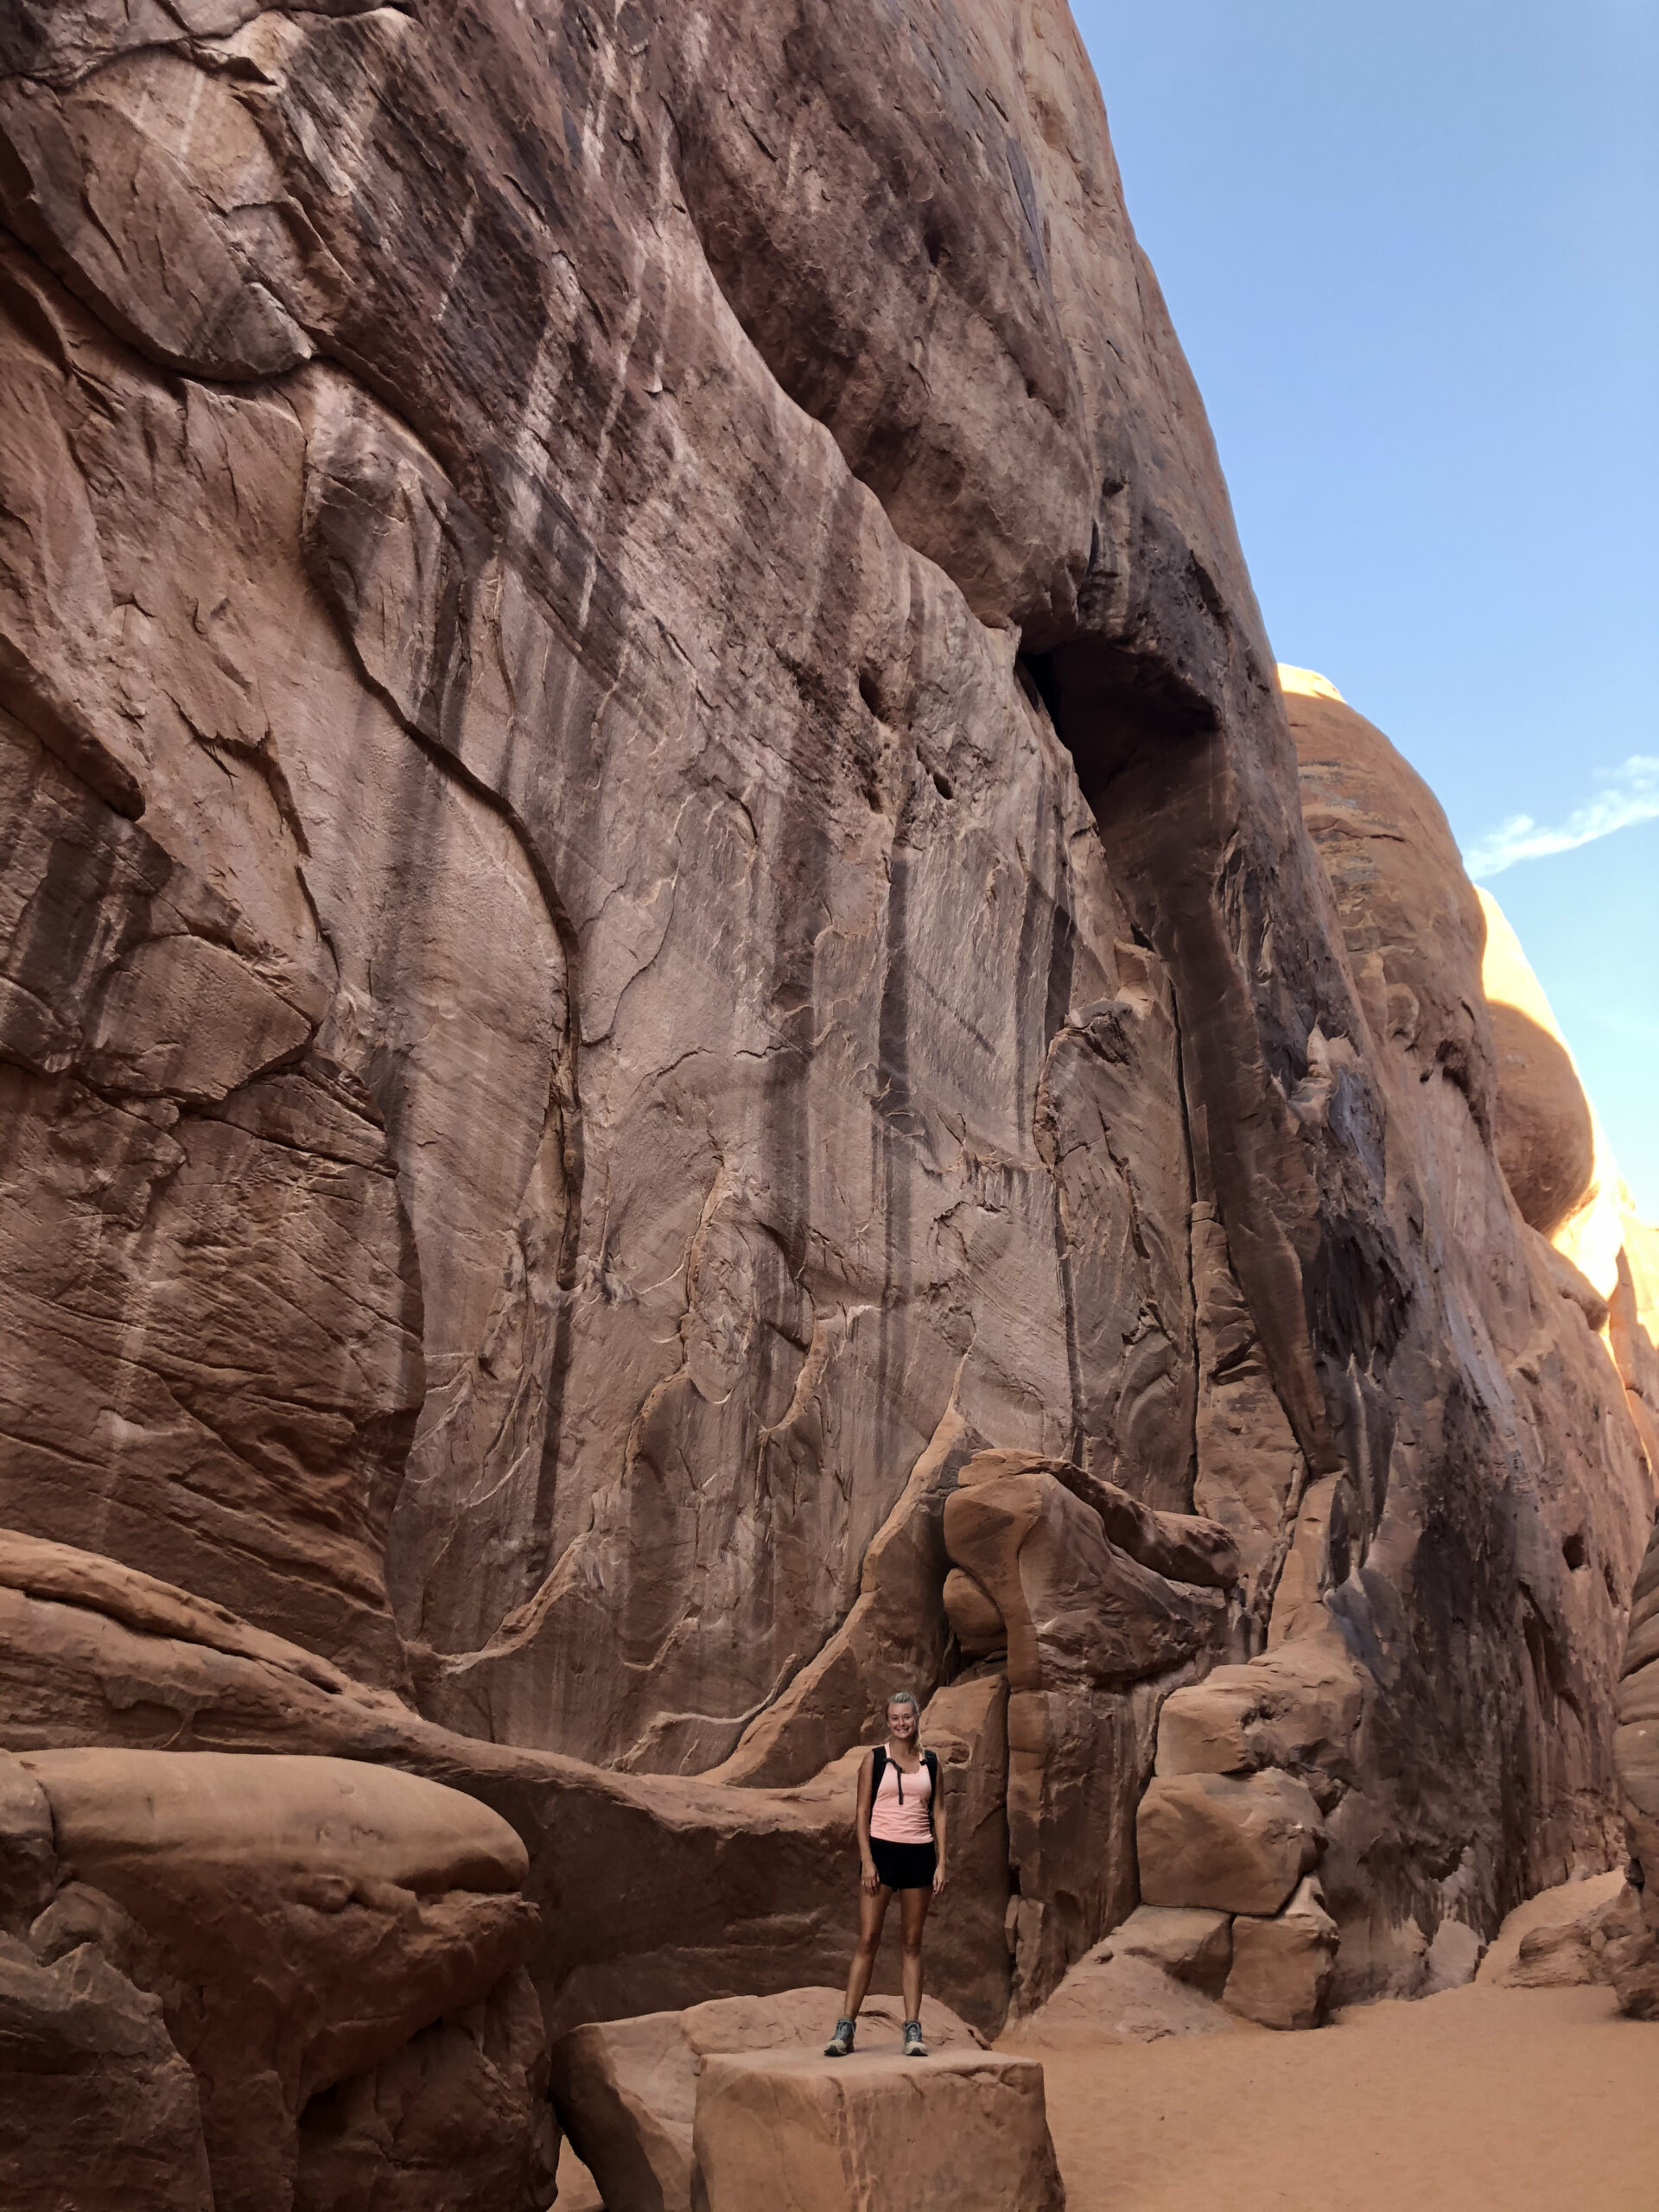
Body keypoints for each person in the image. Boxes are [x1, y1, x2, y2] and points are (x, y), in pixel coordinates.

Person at [823, 1688, 946, 2059]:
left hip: (920, 1855)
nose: (901, 1723)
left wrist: (942, 1862)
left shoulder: (932, 1761)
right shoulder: (874, 1759)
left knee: (912, 1943)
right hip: (881, 1853)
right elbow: (861, 1812)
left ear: (916, 1718)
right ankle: (845, 2028)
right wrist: (868, 1861)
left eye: (906, 1717)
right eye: (895, 1718)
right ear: (888, 1721)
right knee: (868, 1939)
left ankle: (912, 2030)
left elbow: (938, 1812)